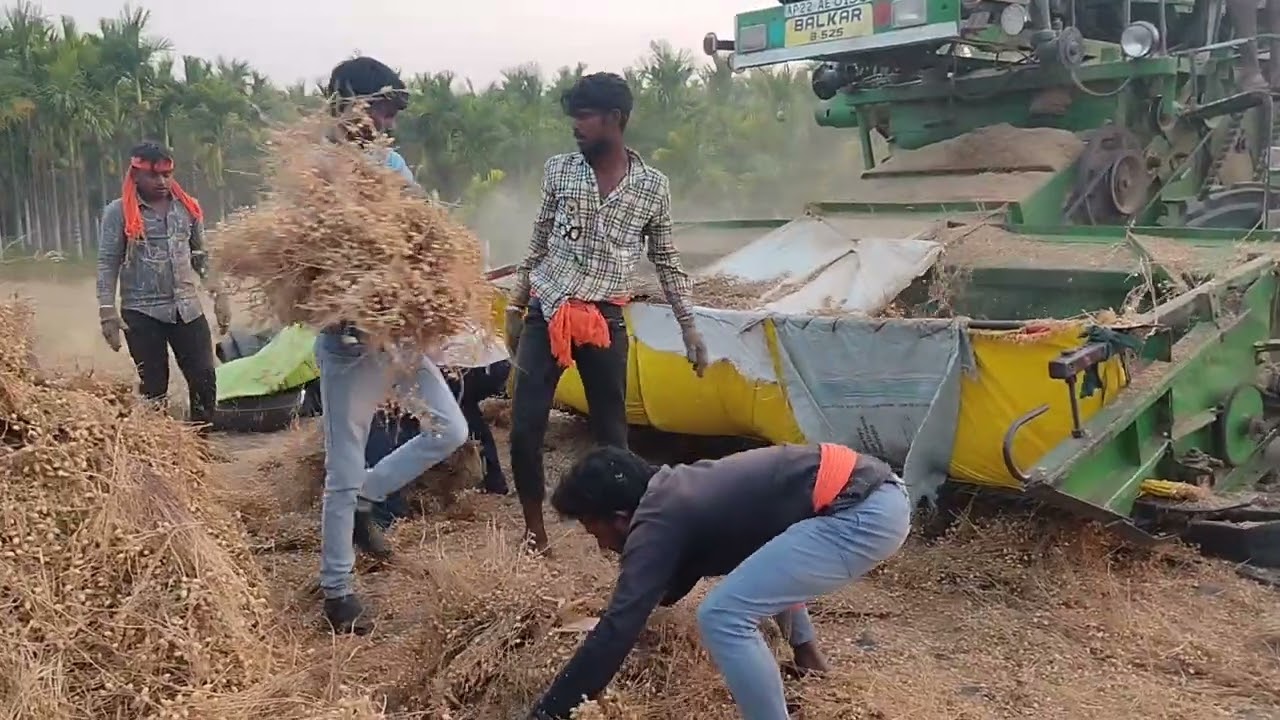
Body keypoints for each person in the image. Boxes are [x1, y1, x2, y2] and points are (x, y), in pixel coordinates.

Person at [527, 443, 913, 720]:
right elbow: (769, 560)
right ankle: (810, 659)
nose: (601, 547)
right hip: (873, 494)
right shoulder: (677, 490)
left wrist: (549, 711)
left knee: (721, 616)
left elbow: (617, 631)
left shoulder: (658, 517)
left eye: (594, 532)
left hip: (862, 510)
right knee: (745, 588)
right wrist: (803, 648)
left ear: (619, 517)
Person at [504, 72, 710, 553]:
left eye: (585, 116)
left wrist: (690, 327)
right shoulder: (560, 170)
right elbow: (538, 240)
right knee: (524, 427)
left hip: (604, 315)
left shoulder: (651, 187)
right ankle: (535, 532)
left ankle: (623, 532)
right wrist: (517, 301)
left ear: (615, 119)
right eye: (573, 116)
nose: (576, 126)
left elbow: (667, 261)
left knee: (613, 439)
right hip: (549, 308)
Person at [313, 55, 468, 635]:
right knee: (343, 465)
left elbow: (421, 227)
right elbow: (317, 257)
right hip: (349, 342)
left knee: (450, 430)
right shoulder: (319, 169)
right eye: (382, 108)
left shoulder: (393, 161)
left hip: (396, 334)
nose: (390, 122)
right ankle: (338, 589)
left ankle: (366, 500)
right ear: (352, 106)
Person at [96, 141, 231, 429]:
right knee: (154, 387)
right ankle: (161, 450)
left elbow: (200, 256)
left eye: (166, 175)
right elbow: (108, 262)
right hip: (141, 313)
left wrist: (219, 295)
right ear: (136, 175)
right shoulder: (118, 213)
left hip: (187, 308)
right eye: (153, 176)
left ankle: (200, 444)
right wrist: (107, 311)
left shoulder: (188, 209)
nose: (161, 182)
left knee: (205, 378)